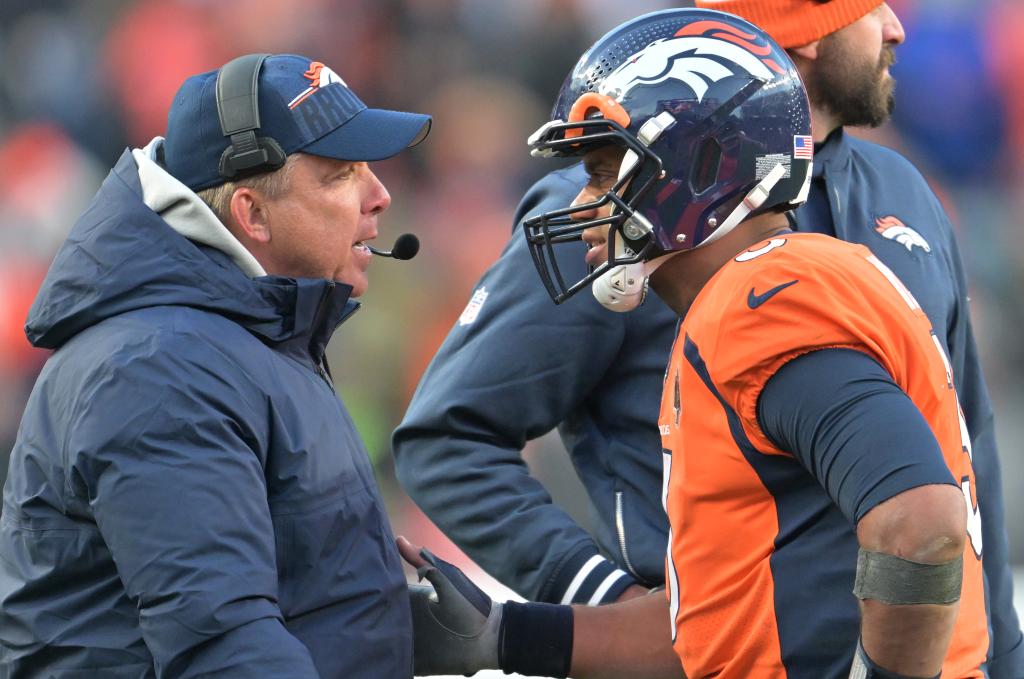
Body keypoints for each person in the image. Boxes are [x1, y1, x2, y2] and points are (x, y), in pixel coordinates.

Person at [392, 0, 1024, 674]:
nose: (581, 202)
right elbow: (716, 627)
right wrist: (507, 634)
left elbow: (924, 522)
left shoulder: (764, 301)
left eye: (604, 173)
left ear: (698, 170)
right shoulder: (733, 300)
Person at [0, 53, 430, 677]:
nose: (380, 196)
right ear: (252, 214)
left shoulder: (241, 340)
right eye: (342, 174)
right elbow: (225, 649)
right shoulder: (162, 367)